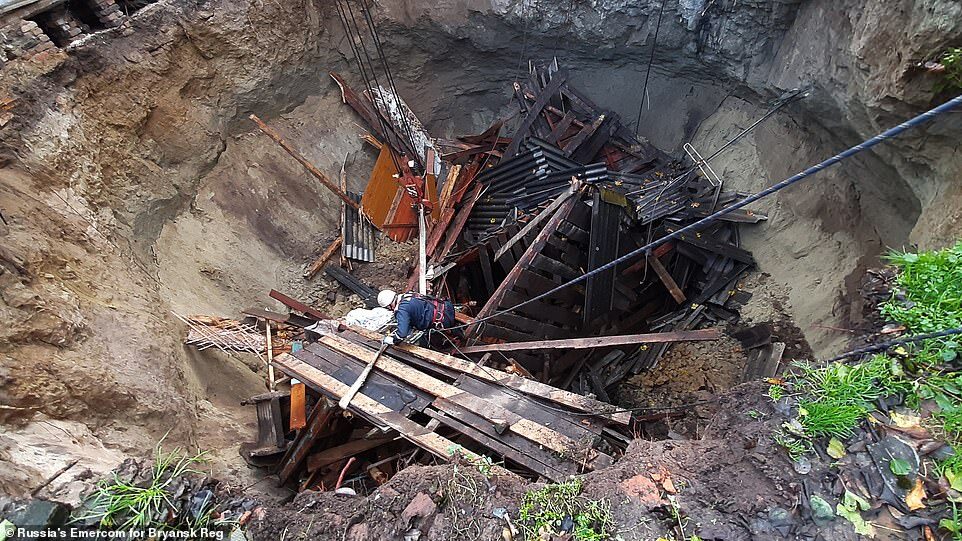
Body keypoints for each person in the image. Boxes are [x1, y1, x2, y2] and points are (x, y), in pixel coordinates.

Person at [377, 289, 460, 347]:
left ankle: (448, 343)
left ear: (389, 305)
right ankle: (457, 332)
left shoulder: (402, 310)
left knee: (426, 344)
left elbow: (401, 335)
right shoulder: (408, 294)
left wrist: (391, 340)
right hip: (447, 308)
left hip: (443, 320)